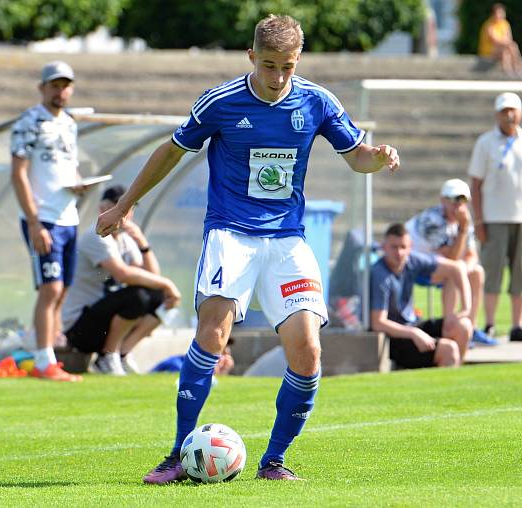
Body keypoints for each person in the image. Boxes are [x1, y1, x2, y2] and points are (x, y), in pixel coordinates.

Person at [95, 14, 399, 483]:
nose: (279, 77)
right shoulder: (222, 101)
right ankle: (178, 454)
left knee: (308, 351)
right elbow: (172, 151)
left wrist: (375, 159)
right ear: (252, 56)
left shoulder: (317, 101)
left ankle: (273, 461)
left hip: (287, 241)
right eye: (271, 65)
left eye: (288, 67)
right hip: (230, 234)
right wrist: (125, 206)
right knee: (213, 335)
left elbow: (356, 156)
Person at [10, 61, 86, 382]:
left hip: (69, 217)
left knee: (63, 290)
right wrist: (34, 222)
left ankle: (49, 355)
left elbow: (67, 168)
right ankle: (43, 363)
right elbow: (19, 174)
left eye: (65, 85)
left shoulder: (69, 123)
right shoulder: (29, 122)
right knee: (50, 289)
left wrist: (80, 183)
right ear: (42, 88)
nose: (60, 91)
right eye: (54, 85)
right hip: (44, 219)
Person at [61, 185, 181, 375]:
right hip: (80, 329)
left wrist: (143, 244)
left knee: (158, 296)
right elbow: (123, 274)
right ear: (102, 209)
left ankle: (122, 354)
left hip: (104, 322)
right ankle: (108, 356)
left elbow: (152, 277)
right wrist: (168, 284)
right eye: (120, 206)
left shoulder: (127, 240)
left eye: (130, 207)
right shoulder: (96, 235)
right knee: (138, 297)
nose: (126, 212)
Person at [468, 92, 522, 342]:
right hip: (494, 218)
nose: (509, 115)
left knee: (521, 272)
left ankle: (518, 325)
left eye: (512, 110)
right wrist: (478, 221)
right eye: (504, 111)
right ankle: (490, 323)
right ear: (497, 115)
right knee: (492, 272)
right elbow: (476, 185)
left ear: (520, 113)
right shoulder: (485, 143)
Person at [405, 178, 498, 346]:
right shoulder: (431, 220)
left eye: (463, 201)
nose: (458, 205)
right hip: (412, 266)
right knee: (454, 272)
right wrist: (462, 230)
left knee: (476, 272)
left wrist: (464, 267)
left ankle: (469, 326)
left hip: (436, 266)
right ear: (443, 200)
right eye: (454, 200)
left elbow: (471, 255)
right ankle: (450, 328)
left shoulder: (463, 220)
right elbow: (451, 259)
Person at [370, 223, 473, 368]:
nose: (399, 253)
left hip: (413, 325)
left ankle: (454, 377)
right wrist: (413, 333)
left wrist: (465, 309)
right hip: (395, 337)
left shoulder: (411, 260)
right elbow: (378, 323)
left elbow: (457, 269)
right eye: (394, 247)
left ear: (410, 247)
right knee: (448, 350)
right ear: (384, 247)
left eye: (403, 247)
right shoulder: (380, 274)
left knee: (464, 326)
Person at [477, 3, 522, 76]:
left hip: (502, 49)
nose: (500, 15)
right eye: (498, 13)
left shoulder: (505, 24)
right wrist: (507, 43)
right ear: (493, 14)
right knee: (509, 48)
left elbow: (508, 38)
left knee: (508, 50)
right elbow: (495, 40)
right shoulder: (489, 25)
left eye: (501, 13)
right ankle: (513, 71)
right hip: (488, 51)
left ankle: (515, 70)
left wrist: (507, 43)